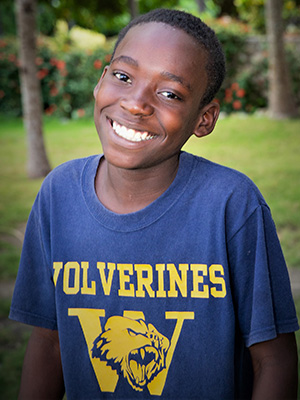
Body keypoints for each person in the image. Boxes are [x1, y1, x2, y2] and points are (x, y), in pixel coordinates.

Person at [10, 8, 298, 400]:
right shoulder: (58, 194)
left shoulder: (232, 205)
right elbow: (49, 343)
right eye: (123, 77)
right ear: (100, 82)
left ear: (204, 118)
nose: (136, 103)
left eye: (170, 94)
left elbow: (274, 360)